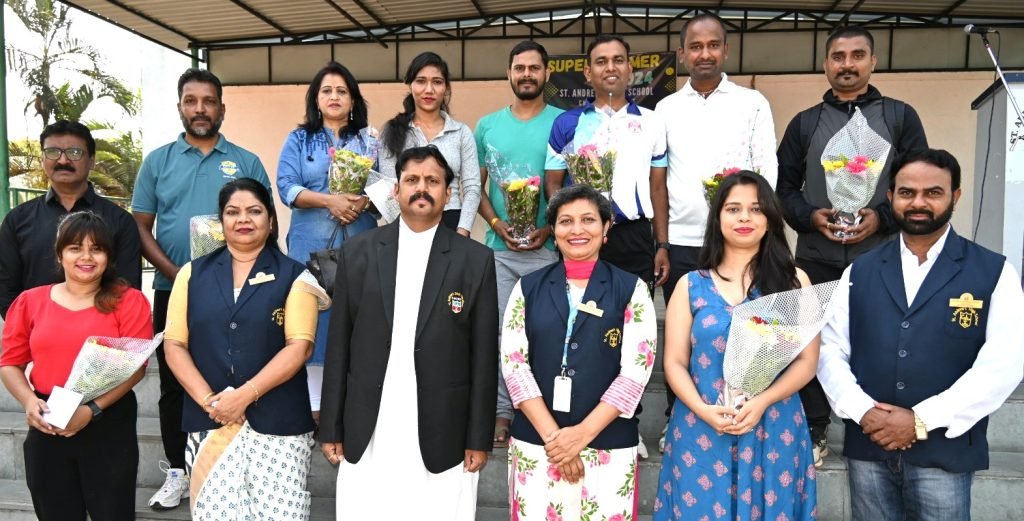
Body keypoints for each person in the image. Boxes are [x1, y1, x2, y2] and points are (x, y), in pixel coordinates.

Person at [817, 149, 1024, 520]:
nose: (918, 203)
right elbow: (830, 348)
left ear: (955, 196)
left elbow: (1004, 362)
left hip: (944, 451)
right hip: (870, 443)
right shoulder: (860, 271)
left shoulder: (993, 271)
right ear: (890, 196)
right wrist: (863, 411)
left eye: (933, 192)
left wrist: (922, 419)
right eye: (907, 192)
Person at [775, 25, 928, 465]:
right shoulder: (805, 123)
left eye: (857, 55)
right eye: (838, 56)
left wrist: (881, 216)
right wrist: (810, 217)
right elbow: (783, 190)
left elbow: (916, 184)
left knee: (879, 341)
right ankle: (815, 427)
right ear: (825, 64)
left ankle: (877, 426)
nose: (847, 64)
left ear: (872, 62)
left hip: (881, 257)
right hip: (815, 257)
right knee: (810, 342)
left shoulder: (899, 116)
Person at [319, 146, 498, 520]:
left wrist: (478, 436)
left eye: (433, 181)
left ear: (448, 194)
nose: (422, 188)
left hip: (443, 425)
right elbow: (338, 346)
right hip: (371, 419)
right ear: (395, 190)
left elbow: (483, 357)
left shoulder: (475, 259)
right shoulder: (359, 252)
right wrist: (331, 426)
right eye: (412, 180)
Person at [132, 67, 273, 510]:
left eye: (208, 101)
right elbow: (140, 227)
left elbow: (266, 223)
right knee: (175, 382)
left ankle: (242, 461)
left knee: (241, 370)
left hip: (239, 293)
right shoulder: (158, 161)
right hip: (173, 287)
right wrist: (178, 275)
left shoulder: (246, 161)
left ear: (221, 108)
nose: (200, 109)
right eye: (191, 101)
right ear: (180, 107)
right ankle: (179, 469)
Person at [654, 171, 818, 521]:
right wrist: (702, 409)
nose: (745, 217)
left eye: (756, 209)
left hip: (773, 423)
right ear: (717, 218)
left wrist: (762, 402)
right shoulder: (690, 285)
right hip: (701, 424)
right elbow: (675, 362)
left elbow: (807, 361)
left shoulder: (793, 282)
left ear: (770, 218)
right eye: (733, 209)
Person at [162, 178, 328, 520]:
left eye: (254, 211)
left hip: (279, 425)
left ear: (270, 219)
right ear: (221, 220)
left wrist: (243, 396)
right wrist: (211, 402)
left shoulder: (296, 276)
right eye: (232, 212)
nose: (243, 219)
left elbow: (300, 347)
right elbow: (175, 345)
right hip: (210, 422)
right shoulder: (191, 275)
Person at [654, 12, 778, 452]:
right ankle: (678, 418)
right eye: (695, 46)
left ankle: (746, 411)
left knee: (749, 332)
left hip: (742, 243)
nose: (704, 54)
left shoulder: (752, 103)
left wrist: (757, 226)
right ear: (682, 53)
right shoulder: (666, 109)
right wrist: (662, 243)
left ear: (726, 50)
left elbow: (766, 171)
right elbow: (658, 181)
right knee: (687, 339)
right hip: (685, 243)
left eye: (712, 45)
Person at [500, 184, 657, 520]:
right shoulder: (527, 288)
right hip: (538, 445)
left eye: (588, 220)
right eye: (566, 221)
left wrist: (581, 436)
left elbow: (635, 373)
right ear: (553, 231)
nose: (577, 230)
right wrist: (557, 441)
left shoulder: (631, 289)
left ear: (606, 227)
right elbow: (514, 367)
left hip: (607, 444)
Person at [1, 211, 154, 521]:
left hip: (108, 417)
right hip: (48, 417)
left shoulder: (129, 301)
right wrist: (29, 401)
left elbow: (136, 367)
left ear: (108, 256)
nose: (86, 256)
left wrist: (92, 410)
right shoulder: (30, 301)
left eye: (96, 248)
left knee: (112, 513)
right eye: (75, 248)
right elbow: (9, 363)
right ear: (60, 255)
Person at [276, 61, 379, 422]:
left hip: (361, 245)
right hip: (311, 250)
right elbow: (286, 187)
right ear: (316, 99)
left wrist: (362, 202)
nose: (334, 97)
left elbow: (388, 189)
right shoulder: (298, 139)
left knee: (358, 321)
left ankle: (355, 408)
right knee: (313, 322)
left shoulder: (369, 140)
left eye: (342, 91)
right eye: (327, 91)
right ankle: (316, 411)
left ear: (353, 100)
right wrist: (329, 201)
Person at [474, 40, 563, 448]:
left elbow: (567, 186)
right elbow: (475, 187)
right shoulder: (487, 126)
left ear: (546, 73)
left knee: (544, 334)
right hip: (499, 251)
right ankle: (501, 411)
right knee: (498, 334)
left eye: (534, 68)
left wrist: (549, 228)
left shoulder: (563, 123)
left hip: (548, 251)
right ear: (509, 74)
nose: (526, 74)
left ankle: (538, 410)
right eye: (519, 68)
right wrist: (497, 223)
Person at [545, 34, 670, 295]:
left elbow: (657, 188)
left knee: (635, 313)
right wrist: (567, 227)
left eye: (618, 60)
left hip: (634, 237)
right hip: (582, 235)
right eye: (601, 62)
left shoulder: (653, 122)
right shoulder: (567, 123)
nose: (610, 67)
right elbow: (553, 183)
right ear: (588, 73)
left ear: (629, 69)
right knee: (580, 312)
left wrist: (662, 245)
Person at [0, 120, 140, 318]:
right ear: (42, 159)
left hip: (101, 333)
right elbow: (6, 289)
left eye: (74, 152)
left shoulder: (120, 220)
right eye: (53, 152)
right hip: (34, 331)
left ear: (92, 161)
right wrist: (25, 328)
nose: (63, 160)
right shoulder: (17, 220)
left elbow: (127, 288)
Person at [377, 52, 481, 235]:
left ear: (446, 88)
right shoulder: (393, 132)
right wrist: (402, 231)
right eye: (421, 81)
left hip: (451, 222)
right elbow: (388, 189)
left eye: (437, 82)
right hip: (406, 225)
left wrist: (463, 231)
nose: (429, 89)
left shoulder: (461, 132)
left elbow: (472, 188)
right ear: (410, 85)